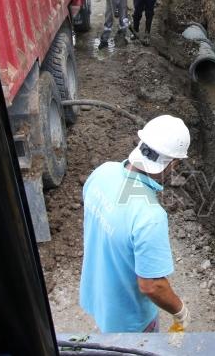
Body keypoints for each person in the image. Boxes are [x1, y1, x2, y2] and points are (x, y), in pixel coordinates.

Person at [79, 115, 192, 333]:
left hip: (97, 293)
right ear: (172, 163)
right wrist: (180, 310)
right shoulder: (150, 216)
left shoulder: (103, 172)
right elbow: (152, 286)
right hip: (129, 321)